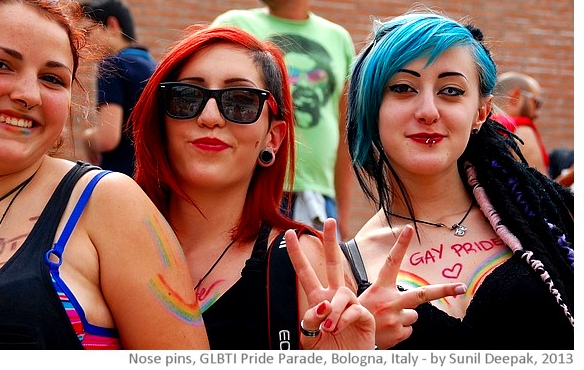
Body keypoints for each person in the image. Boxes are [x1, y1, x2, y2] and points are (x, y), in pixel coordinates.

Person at [129, 24, 465, 350]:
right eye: (187, 97)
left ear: (273, 138)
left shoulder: (303, 263)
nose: (211, 116)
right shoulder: (103, 234)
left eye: (241, 101)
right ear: (160, 120)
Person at [0, 0, 208, 350]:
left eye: (53, 79)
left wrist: (87, 137)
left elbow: (108, 134)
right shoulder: (148, 65)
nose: (28, 94)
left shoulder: (107, 201)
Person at [343, 11, 574, 349]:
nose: (427, 111)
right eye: (402, 88)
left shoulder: (548, 220)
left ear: (481, 111)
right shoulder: (344, 270)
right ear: (371, 106)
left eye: (450, 90)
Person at [212, 0, 355, 239]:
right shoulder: (234, 24)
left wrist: (342, 214)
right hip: (250, 187)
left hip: (317, 199)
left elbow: (345, 132)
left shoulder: (338, 39)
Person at [81, 0, 156, 177]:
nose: (85, 43)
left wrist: (87, 138)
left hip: (120, 179)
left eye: (88, 32)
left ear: (112, 26)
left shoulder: (112, 64)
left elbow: (107, 139)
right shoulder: (152, 66)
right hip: (151, 180)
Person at [492, 71, 550, 176]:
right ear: (516, 96)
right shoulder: (521, 129)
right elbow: (540, 188)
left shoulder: (476, 125)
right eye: (536, 103)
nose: (538, 113)